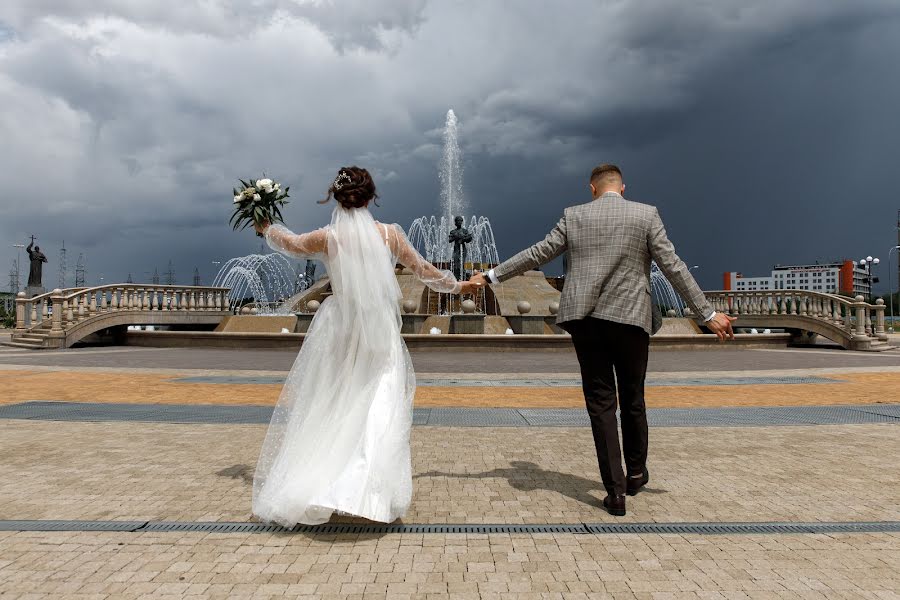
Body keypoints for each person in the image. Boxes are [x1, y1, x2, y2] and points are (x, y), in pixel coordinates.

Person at [468, 164, 736, 516]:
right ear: (622, 187)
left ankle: (615, 491)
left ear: (591, 189)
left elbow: (538, 253)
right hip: (631, 319)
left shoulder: (574, 216)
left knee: (601, 403)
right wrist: (706, 314)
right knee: (633, 397)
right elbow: (674, 266)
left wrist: (490, 276)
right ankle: (636, 472)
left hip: (587, 321)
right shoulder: (646, 215)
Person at [251, 166, 476, 526]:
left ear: (336, 198)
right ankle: (370, 491)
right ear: (372, 198)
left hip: (340, 327)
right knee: (379, 401)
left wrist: (267, 227)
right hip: (380, 328)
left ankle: (325, 482)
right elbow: (424, 271)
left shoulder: (327, 237)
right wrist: (460, 286)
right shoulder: (390, 235)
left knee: (336, 402)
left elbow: (290, 244)